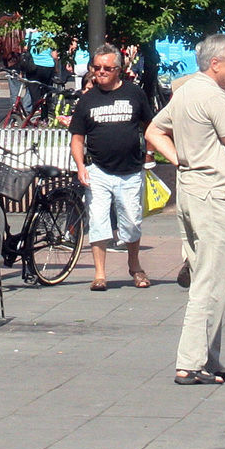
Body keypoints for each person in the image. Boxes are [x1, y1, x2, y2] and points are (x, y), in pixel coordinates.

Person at [145, 34, 225, 385]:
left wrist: (180, 161)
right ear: (215, 63)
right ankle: (189, 362)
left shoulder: (186, 90)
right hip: (212, 194)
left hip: (191, 190)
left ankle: (209, 358)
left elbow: (154, 131)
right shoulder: (213, 95)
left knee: (206, 272)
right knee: (210, 278)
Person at [69, 45, 151, 291]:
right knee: (98, 221)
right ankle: (100, 274)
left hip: (131, 170)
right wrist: (80, 165)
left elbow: (150, 125)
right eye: (97, 68)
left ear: (119, 70)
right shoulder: (87, 99)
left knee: (132, 222)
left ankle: (134, 266)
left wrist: (150, 152)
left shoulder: (134, 94)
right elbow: (77, 137)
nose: (101, 72)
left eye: (107, 68)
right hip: (98, 170)